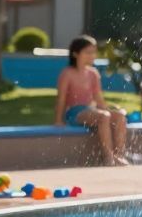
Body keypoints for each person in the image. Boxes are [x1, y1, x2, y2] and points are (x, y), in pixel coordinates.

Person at [55, 35, 129, 166]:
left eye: (93, 52)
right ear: (75, 54)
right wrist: (58, 121)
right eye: (88, 52)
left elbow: (98, 99)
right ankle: (108, 157)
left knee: (120, 116)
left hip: (91, 111)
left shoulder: (93, 73)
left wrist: (111, 112)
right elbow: (61, 98)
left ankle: (119, 155)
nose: (92, 55)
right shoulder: (67, 74)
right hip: (75, 113)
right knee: (103, 116)